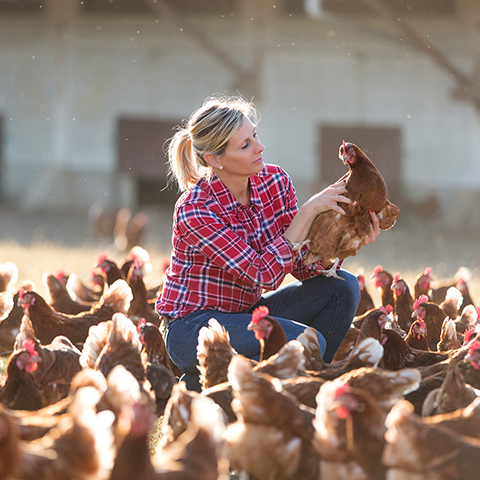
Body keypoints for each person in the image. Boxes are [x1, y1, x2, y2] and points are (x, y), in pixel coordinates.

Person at [156, 94, 380, 391]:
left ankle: (294, 388)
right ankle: (284, 385)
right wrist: (308, 213)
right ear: (214, 159)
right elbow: (264, 274)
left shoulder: (275, 182)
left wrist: (345, 239)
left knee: (343, 287)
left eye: (255, 135)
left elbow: (303, 267)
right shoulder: (196, 208)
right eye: (245, 145)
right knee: (306, 341)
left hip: (247, 313)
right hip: (193, 327)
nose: (260, 147)